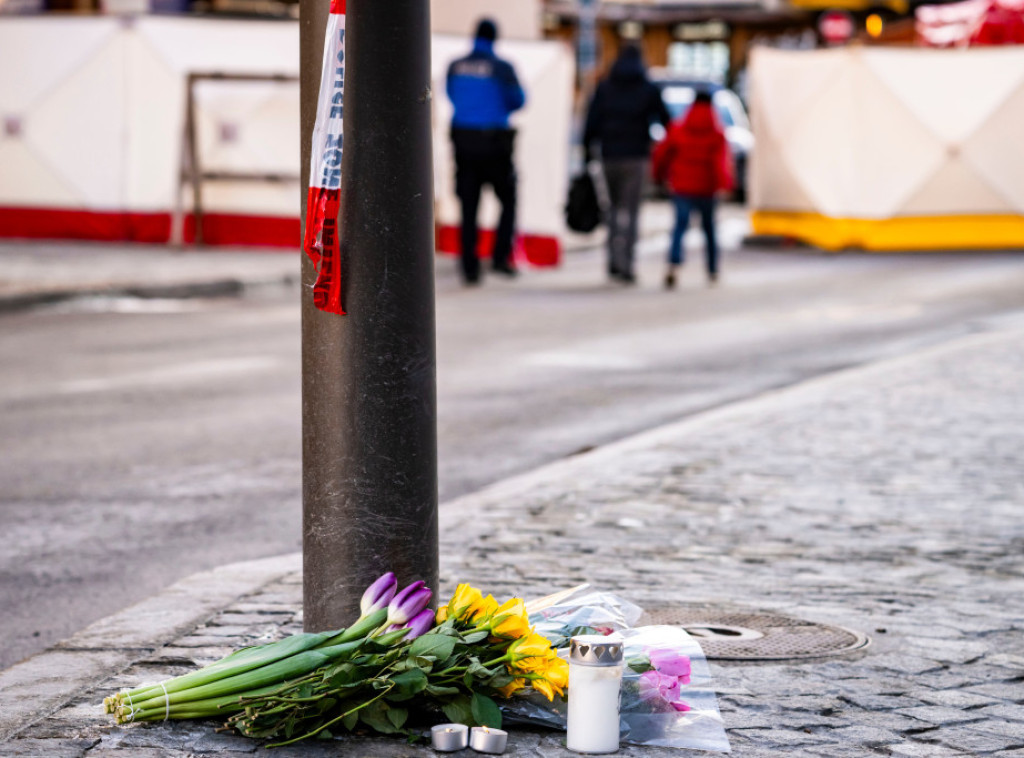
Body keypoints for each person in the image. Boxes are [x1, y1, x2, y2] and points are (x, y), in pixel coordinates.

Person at [446, 18, 526, 285]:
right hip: (494, 144)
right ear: (494, 38)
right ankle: (500, 258)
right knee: (508, 200)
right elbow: (519, 100)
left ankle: (469, 268)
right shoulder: (501, 68)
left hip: (464, 141)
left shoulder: (455, 66)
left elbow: (451, 95)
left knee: (469, 207)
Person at [583, 45, 670, 284]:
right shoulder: (647, 88)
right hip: (637, 157)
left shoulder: (605, 87)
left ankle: (612, 260)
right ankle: (627, 264)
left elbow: (591, 122)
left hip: (609, 155)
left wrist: (586, 153)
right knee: (631, 212)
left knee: (612, 211)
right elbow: (666, 120)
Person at [651, 90, 733, 289]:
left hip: (682, 186)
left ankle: (673, 264)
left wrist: (658, 176)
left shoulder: (678, 129)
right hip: (707, 189)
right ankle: (712, 269)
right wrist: (725, 185)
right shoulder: (717, 134)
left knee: (679, 227)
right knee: (709, 229)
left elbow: (661, 154)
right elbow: (720, 163)